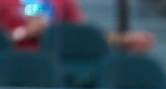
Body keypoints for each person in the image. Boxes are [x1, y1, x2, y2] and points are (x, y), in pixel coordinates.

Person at [0, 0, 153, 53]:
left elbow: (84, 35)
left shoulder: (62, 2)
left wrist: (123, 39)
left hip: (58, 67)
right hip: (12, 65)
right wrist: (23, 33)